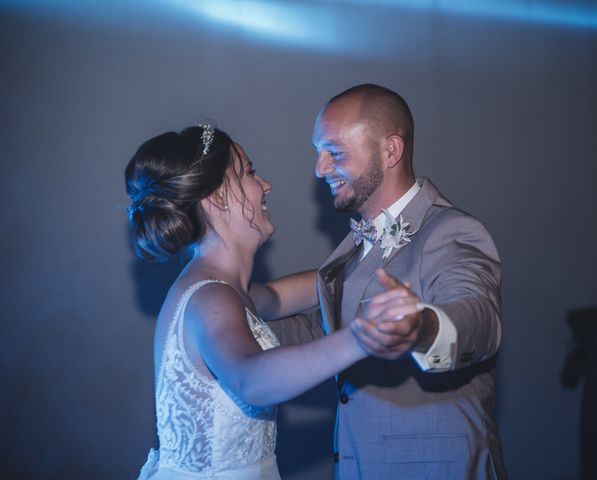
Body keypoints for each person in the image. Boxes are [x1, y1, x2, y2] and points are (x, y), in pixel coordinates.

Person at [125, 124, 373, 479]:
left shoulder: (228, 290)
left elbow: (294, 291)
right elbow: (251, 379)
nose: (265, 185)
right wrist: (361, 339)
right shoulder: (210, 297)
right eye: (249, 173)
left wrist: (370, 255)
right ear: (218, 197)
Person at [312, 84, 508, 479]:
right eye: (318, 153)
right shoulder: (357, 242)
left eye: (334, 153)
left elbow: (478, 318)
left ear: (390, 151)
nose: (319, 169)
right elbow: (334, 329)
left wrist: (422, 326)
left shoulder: (451, 231)